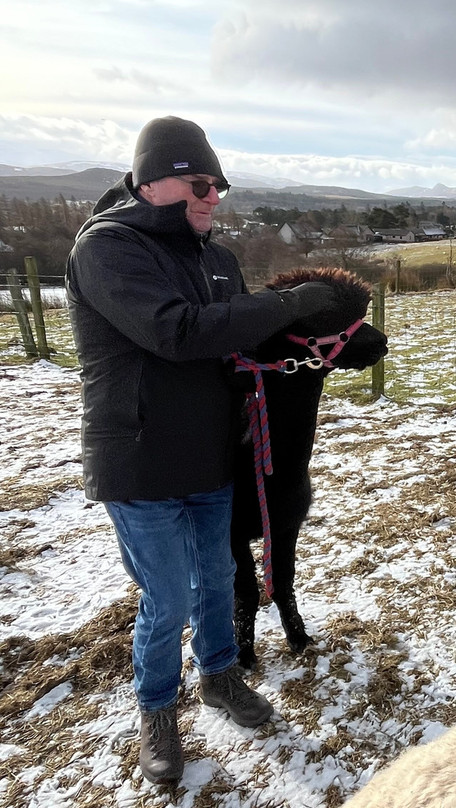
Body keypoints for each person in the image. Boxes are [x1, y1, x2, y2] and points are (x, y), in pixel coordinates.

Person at [65, 116, 336, 784]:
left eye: (218, 184)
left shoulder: (216, 256)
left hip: (211, 452)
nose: (213, 195)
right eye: (199, 182)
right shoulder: (108, 248)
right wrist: (290, 301)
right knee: (168, 599)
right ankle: (156, 712)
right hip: (138, 458)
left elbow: (237, 339)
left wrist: (318, 341)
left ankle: (219, 678)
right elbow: (180, 332)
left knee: (217, 579)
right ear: (149, 180)